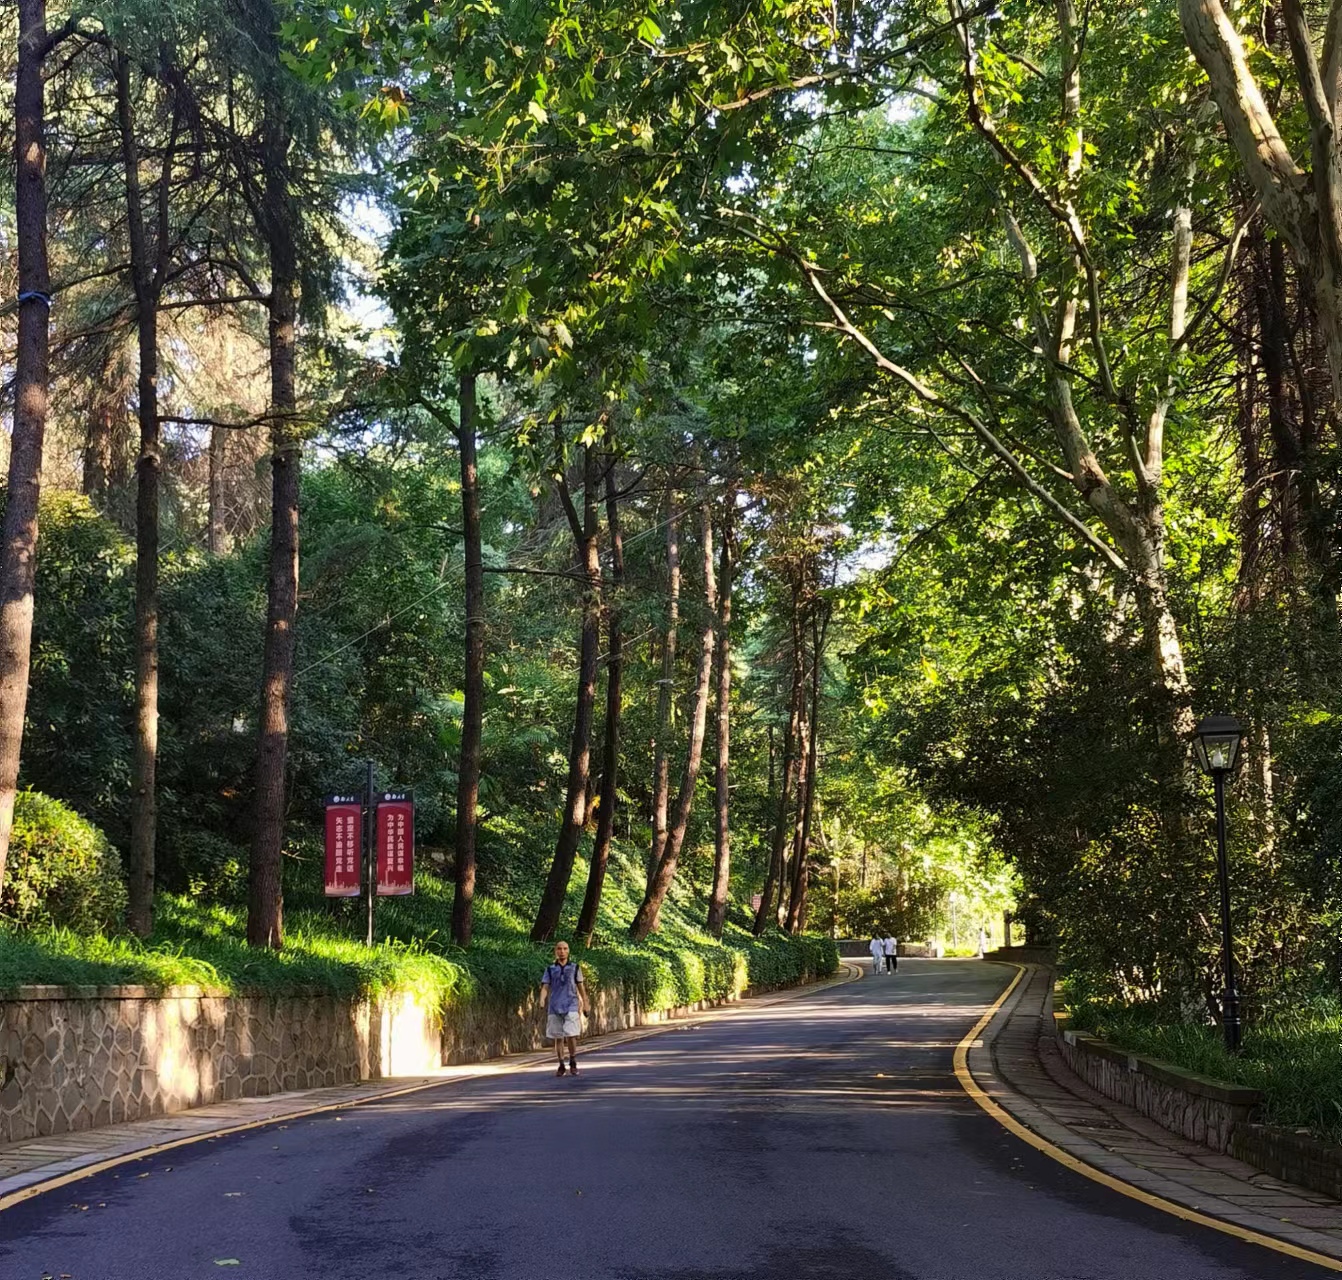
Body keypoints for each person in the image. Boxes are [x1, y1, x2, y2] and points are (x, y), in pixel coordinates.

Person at [540, 940, 588, 1076]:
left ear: (568, 951)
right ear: (556, 951)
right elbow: (545, 987)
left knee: (571, 1035)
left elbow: (581, 988)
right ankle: (561, 1064)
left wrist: (585, 1002)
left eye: (565, 949)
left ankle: (573, 1061)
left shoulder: (575, 968)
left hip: (571, 1005)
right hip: (555, 1007)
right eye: (559, 949)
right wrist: (542, 999)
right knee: (558, 1037)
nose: (562, 951)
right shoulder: (550, 969)